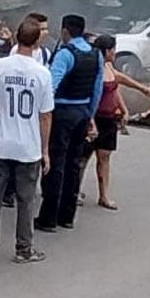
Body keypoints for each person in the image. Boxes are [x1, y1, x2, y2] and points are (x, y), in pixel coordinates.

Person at [0, 18, 54, 263]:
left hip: (1, 143)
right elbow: (45, 115)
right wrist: (45, 150)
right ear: (37, 41)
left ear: (16, 37)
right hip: (28, 146)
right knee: (26, 199)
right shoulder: (42, 73)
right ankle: (23, 248)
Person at [35, 14, 103, 233]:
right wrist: (90, 115)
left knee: (55, 164)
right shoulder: (96, 54)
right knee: (74, 164)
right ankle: (67, 216)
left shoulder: (65, 54)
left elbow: (51, 87)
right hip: (82, 111)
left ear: (65, 31)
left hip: (62, 113)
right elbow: (97, 89)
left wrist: (42, 113)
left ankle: (48, 218)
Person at [82, 34, 150, 210]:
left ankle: (104, 196)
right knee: (82, 158)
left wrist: (125, 107)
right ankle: (73, 191)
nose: (115, 52)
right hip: (94, 118)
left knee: (104, 157)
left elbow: (116, 85)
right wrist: (90, 121)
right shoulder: (93, 68)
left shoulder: (108, 66)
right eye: (113, 49)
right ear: (107, 51)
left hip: (108, 119)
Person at [2, 11, 53, 207]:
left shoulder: (45, 54)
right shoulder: (16, 52)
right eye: (42, 29)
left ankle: (21, 188)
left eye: (46, 29)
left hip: (35, 108)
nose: (45, 33)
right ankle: (9, 190)